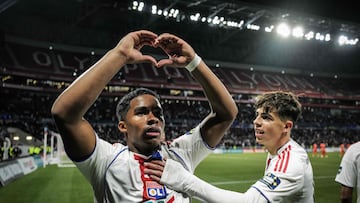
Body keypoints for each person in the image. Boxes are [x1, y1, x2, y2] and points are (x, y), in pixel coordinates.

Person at [51, 30, 238, 202]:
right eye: (141, 112)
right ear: (123, 126)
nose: (153, 118)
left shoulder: (179, 155)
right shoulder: (106, 160)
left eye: (158, 113)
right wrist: (120, 54)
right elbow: (65, 114)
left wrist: (194, 62)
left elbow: (226, 113)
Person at [145, 91, 314, 203]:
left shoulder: (291, 162)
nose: (256, 122)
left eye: (267, 117)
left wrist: (183, 179)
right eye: (257, 116)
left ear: (287, 127)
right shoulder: (278, 152)